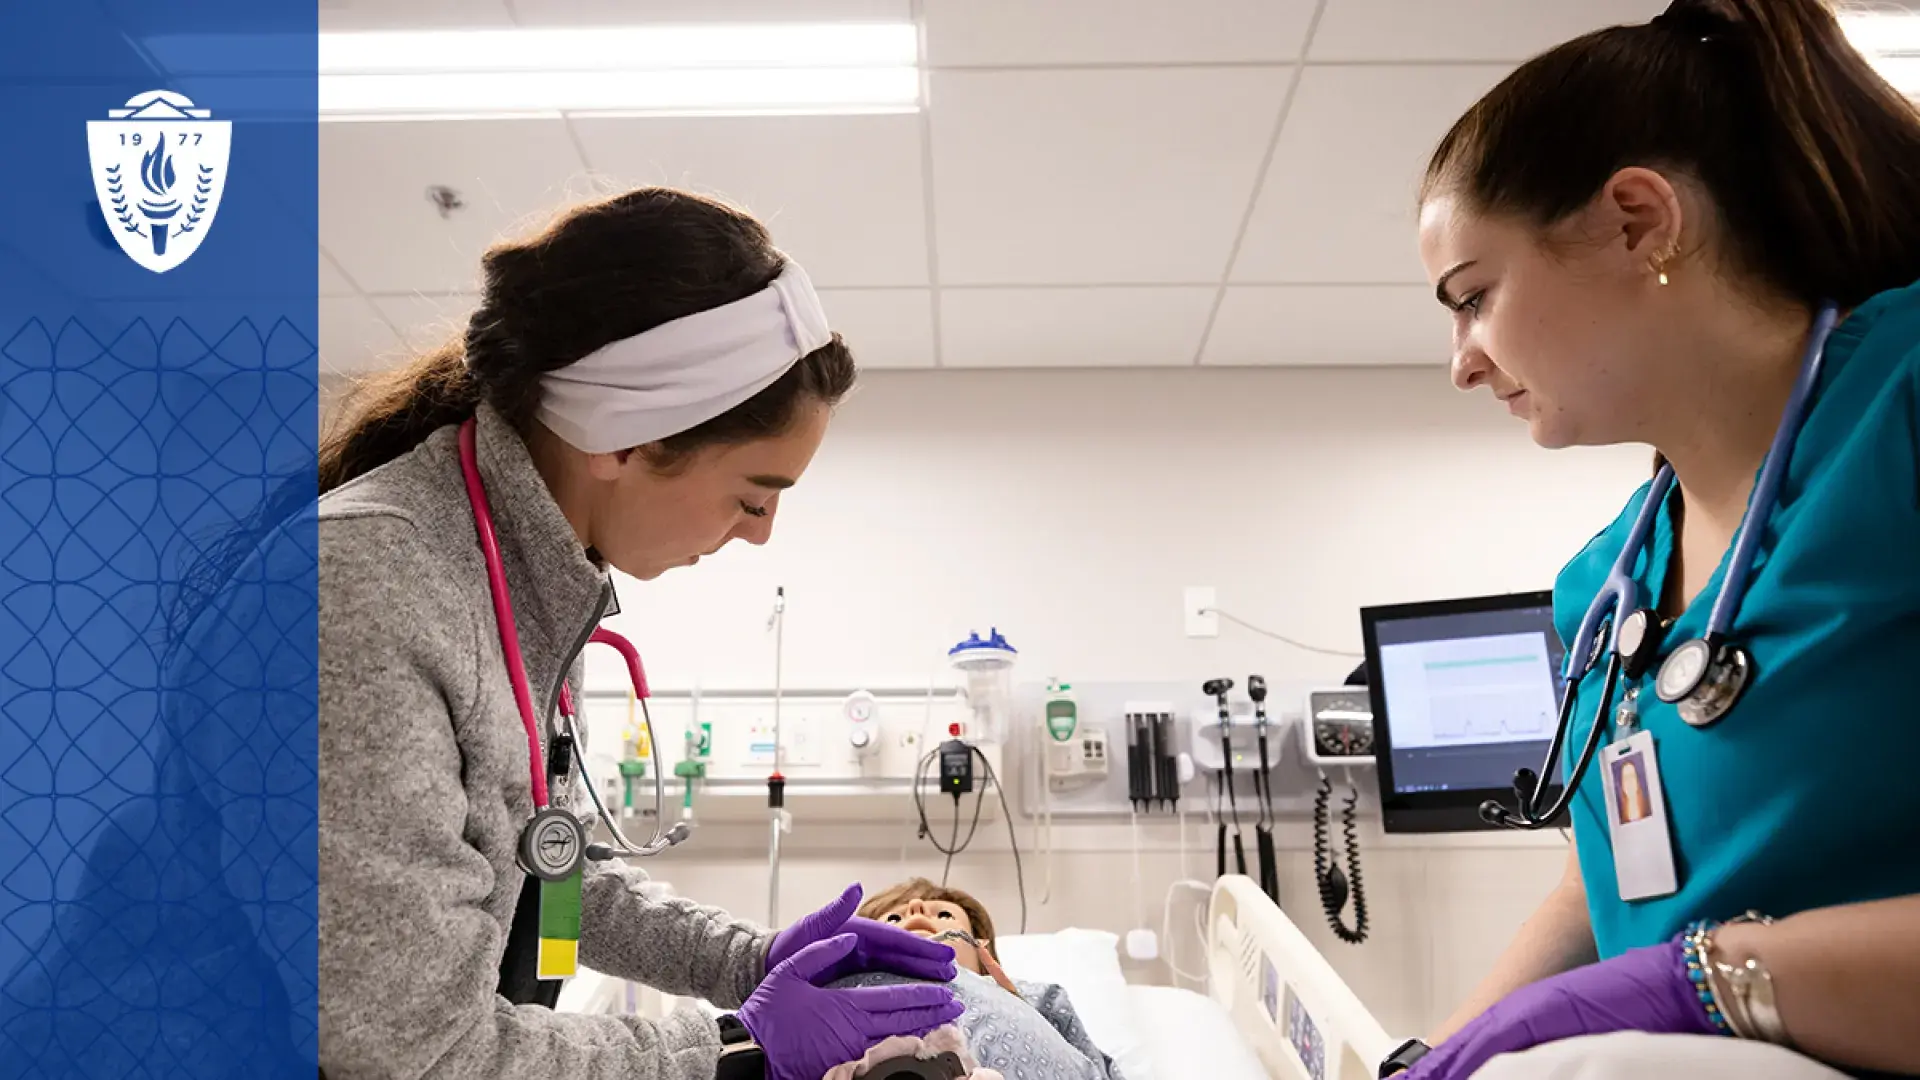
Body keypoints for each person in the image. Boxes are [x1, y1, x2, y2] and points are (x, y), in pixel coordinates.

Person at [317, 187, 964, 1080]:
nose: (762, 532)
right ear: (623, 437)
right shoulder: (368, 588)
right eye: (754, 494)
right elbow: (412, 1047)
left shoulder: (524, 577)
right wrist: (738, 1048)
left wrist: (747, 960)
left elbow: (548, 867)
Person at [1406, 1, 1920, 1078]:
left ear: (1638, 221)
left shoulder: (1904, 402)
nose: (1460, 360)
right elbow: (1611, 880)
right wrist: (1445, 1054)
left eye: (1474, 298)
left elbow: (1666, 966)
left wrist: (1717, 981)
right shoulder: (1605, 584)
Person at [827, 879, 1125, 1080]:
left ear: (984, 955)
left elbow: (1098, 1067)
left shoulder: (1031, 997)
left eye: (944, 914)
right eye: (893, 919)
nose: (917, 907)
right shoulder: (827, 993)